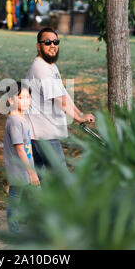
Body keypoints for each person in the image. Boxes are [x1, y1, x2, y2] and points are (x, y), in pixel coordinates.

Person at [25, 27, 95, 173]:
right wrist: (77, 117)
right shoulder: (40, 68)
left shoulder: (50, 66)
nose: (52, 45)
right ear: (39, 46)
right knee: (61, 178)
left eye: (55, 42)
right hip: (42, 133)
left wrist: (79, 113)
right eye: (48, 42)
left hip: (41, 132)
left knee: (39, 179)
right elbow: (58, 99)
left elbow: (63, 94)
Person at [3, 82, 40, 233]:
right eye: (20, 97)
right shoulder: (15, 122)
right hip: (19, 169)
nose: (25, 100)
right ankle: (14, 230)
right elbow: (19, 149)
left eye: (28, 97)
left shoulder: (22, 118)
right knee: (16, 199)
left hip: (26, 168)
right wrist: (32, 172)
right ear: (10, 100)